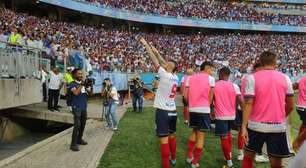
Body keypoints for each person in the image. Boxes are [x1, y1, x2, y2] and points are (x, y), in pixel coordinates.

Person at [241, 51, 294, 168]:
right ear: (275, 63)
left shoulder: (252, 78)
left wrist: (244, 126)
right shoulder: (286, 78)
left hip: (255, 125)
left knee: (248, 156)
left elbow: (248, 103)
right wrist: (280, 117)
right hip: (278, 127)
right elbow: (290, 105)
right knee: (276, 163)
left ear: (260, 62)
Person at [139, 37, 178, 168]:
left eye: (166, 63)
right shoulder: (175, 76)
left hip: (163, 111)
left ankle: (166, 165)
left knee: (164, 139)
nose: (164, 63)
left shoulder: (163, 73)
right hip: (173, 110)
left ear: (168, 66)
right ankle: (173, 158)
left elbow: (154, 60)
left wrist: (146, 46)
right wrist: (157, 52)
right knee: (172, 136)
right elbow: (165, 63)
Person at [184, 61, 215, 168]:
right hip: (203, 109)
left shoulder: (190, 78)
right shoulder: (210, 79)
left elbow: (186, 95)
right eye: (212, 68)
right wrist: (208, 106)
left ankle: (189, 156)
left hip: (192, 109)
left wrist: (190, 104)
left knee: (194, 132)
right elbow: (211, 96)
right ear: (207, 67)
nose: (212, 71)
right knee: (201, 136)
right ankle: (194, 162)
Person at [237, 63, 269, 163]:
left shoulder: (246, 77)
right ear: (257, 68)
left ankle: (242, 153)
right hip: (249, 108)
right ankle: (255, 153)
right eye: (262, 68)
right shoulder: (252, 78)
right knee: (253, 132)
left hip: (243, 106)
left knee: (244, 131)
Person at [213, 67, 243, 168]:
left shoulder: (215, 85)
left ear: (220, 74)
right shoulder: (234, 86)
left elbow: (211, 99)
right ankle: (228, 155)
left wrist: (211, 110)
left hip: (221, 116)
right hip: (232, 115)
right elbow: (241, 100)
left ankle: (229, 161)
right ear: (228, 75)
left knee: (224, 137)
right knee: (228, 133)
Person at [69, 68, 92, 151]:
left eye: (81, 74)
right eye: (79, 74)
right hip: (76, 107)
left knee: (83, 124)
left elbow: (90, 94)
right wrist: (82, 85)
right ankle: (73, 144)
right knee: (77, 125)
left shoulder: (84, 84)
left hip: (84, 107)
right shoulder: (72, 84)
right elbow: (75, 93)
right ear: (74, 75)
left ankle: (79, 139)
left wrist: (89, 87)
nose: (81, 75)